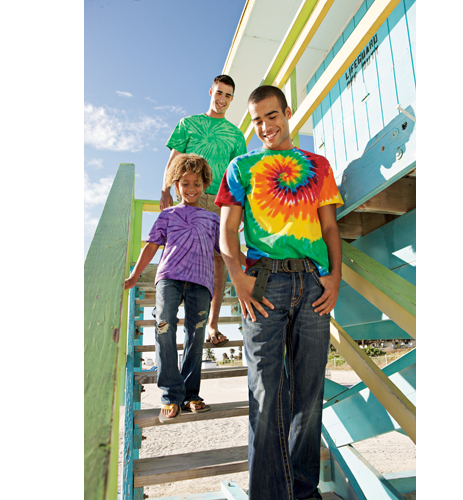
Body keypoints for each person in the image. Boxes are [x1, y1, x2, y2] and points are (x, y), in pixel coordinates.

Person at [215, 85, 344, 500]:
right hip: (264, 286)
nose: (265, 126)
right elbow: (226, 230)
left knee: (309, 394)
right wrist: (239, 278)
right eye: (257, 120)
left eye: (272, 116)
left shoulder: (317, 165)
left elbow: (329, 227)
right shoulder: (241, 166)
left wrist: (335, 276)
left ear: (287, 113)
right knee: (265, 394)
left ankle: (304, 493)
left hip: (313, 285)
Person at [125, 154, 221, 422]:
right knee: (163, 324)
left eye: (197, 184)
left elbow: (225, 252)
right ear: (176, 185)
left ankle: (190, 394)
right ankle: (170, 394)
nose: (191, 189)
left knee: (196, 334)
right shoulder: (167, 215)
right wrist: (134, 276)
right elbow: (151, 246)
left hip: (201, 280)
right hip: (170, 277)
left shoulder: (211, 219)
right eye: (185, 183)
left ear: (205, 185)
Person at [159, 75, 247, 348]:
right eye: (219, 93)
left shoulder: (236, 135)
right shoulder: (188, 124)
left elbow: (239, 175)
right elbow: (174, 159)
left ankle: (212, 323)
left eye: (228, 95)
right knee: (182, 252)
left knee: (220, 259)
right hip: (189, 197)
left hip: (221, 202)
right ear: (211, 92)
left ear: (232, 99)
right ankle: (169, 317)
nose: (222, 99)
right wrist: (165, 189)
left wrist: (242, 209)